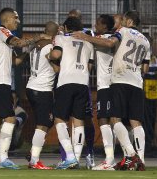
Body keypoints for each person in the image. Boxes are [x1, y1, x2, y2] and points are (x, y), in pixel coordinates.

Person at [73, 10, 150, 171]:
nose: (119, 23)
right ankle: (140, 159)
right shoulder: (146, 41)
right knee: (135, 121)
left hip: (116, 82)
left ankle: (125, 155)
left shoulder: (117, 34)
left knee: (111, 119)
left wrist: (84, 37)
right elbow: (145, 67)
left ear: (128, 21)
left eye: (121, 20)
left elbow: (108, 44)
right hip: (136, 81)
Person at [0, 7, 48, 169]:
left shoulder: (0, 37)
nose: (18, 21)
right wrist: (39, 37)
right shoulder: (2, 31)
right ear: (6, 20)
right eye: (15, 18)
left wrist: (28, 50)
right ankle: (3, 158)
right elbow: (18, 42)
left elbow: (16, 62)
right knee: (10, 118)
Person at [48, 16, 94, 169]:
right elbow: (89, 67)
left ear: (66, 28)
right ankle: (77, 158)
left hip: (66, 82)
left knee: (59, 119)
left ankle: (69, 157)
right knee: (79, 120)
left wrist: (49, 56)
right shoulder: (89, 42)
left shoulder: (61, 38)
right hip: (82, 83)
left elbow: (56, 55)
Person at [25, 21, 59, 169]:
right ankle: (34, 160)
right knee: (43, 124)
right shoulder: (51, 47)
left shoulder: (35, 45)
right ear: (56, 32)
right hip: (43, 88)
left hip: (31, 86)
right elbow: (56, 69)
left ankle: (33, 152)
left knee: (48, 120)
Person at [89, 14, 116, 170]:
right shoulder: (114, 38)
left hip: (107, 85)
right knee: (116, 120)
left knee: (104, 120)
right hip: (114, 84)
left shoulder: (105, 39)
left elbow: (91, 38)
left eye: (98, 23)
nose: (95, 26)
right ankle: (129, 157)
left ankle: (109, 159)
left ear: (105, 26)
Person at [142, 33, 157, 150]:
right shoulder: (140, 57)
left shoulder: (155, 60)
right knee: (141, 118)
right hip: (141, 93)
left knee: (151, 117)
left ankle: (149, 141)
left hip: (152, 93)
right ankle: (141, 141)